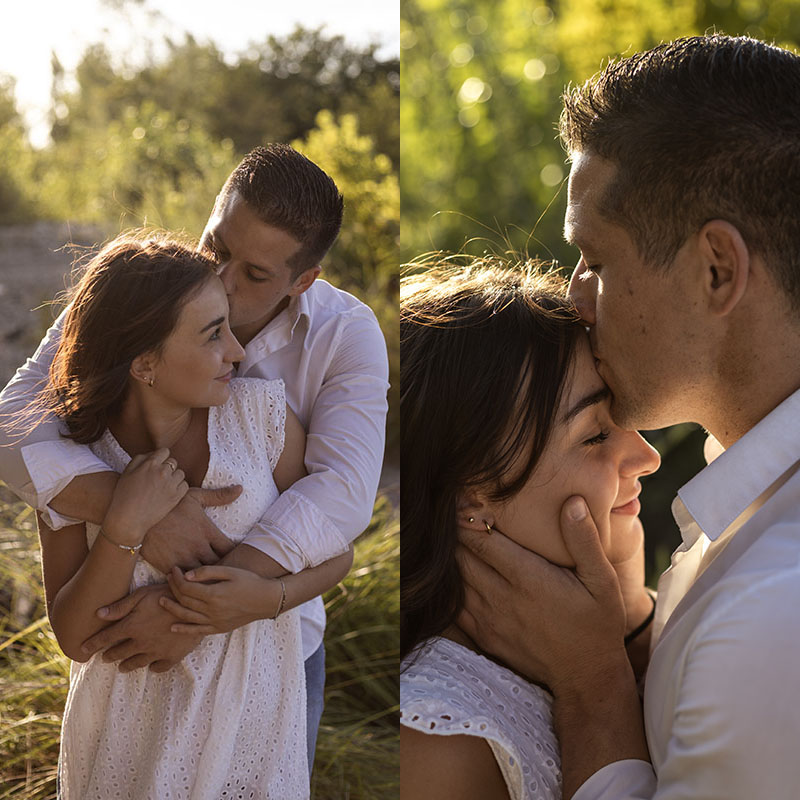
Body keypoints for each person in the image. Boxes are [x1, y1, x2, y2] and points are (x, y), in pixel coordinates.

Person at [457, 34, 800, 799]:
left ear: (717, 270)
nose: (575, 293)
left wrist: (593, 691)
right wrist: (634, 634)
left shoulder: (775, 615)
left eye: (596, 261)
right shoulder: (751, 500)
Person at [0, 144, 389, 770]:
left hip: (271, 649)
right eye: (217, 246)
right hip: (128, 688)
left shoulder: (345, 336)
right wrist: (142, 514)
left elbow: (340, 499)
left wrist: (194, 611)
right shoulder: (144, 295)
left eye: (255, 275)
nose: (225, 281)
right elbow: (9, 420)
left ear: (302, 281)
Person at [36, 232, 353, 797]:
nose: (237, 350)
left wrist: (268, 598)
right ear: (145, 363)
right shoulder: (76, 458)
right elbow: (75, 636)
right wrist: (124, 526)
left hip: (253, 730)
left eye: (229, 326)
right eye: (213, 335)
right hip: (129, 744)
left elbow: (337, 550)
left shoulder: (264, 421)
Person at [400, 259, 660, 800]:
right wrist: (594, 683)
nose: (646, 455)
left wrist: (629, 621)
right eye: (594, 437)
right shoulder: (439, 742)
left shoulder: (590, 643)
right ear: (472, 495)